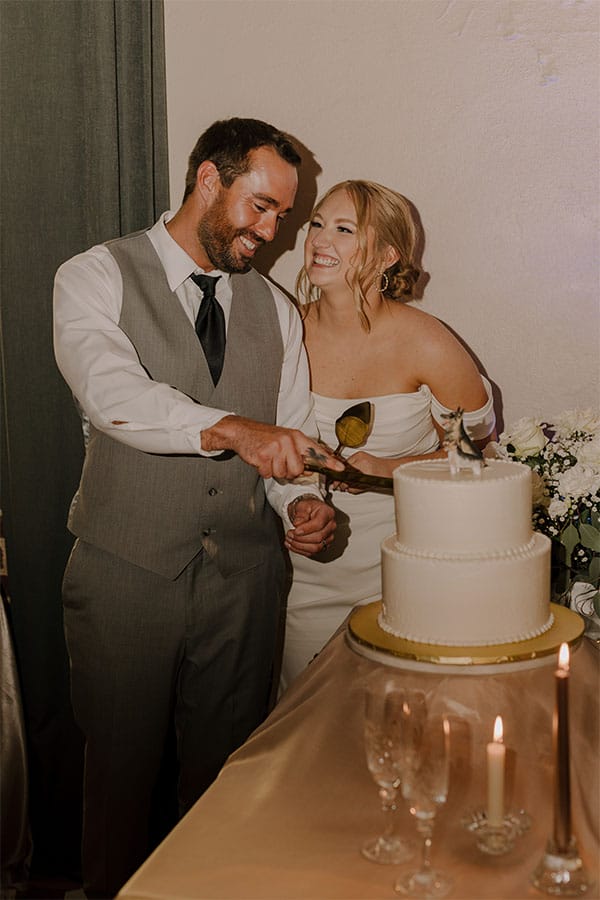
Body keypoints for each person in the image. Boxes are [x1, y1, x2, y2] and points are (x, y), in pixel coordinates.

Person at [53, 117, 343, 898]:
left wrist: (300, 504)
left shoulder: (276, 310)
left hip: (244, 586)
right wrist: (230, 430)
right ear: (208, 180)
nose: (274, 231)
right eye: (261, 207)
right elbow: (111, 392)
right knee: (119, 781)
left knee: (227, 781)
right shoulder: (94, 275)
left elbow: (290, 436)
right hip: (125, 574)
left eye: (283, 214)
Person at [280, 180, 496, 691]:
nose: (319, 239)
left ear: (388, 256)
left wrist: (388, 470)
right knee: (309, 726)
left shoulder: (428, 342)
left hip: (403, 566)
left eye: (344, 229)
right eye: (316, 224)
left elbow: (477, 458)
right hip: (304, 572)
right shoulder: (282, 330)